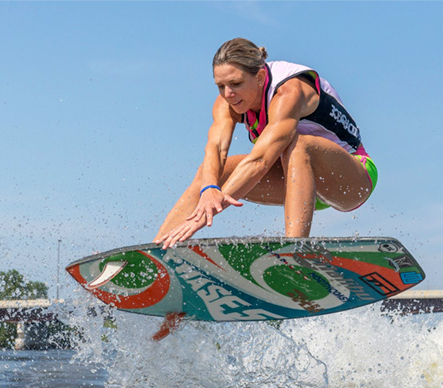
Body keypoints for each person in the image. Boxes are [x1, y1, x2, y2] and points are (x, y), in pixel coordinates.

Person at [155, 38, 377, 249]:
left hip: (351, 180)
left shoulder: (289, 92)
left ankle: (295, 251)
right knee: (208, 173)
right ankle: (156, 253)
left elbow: (261, 159)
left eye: (236, 83)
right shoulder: (227, 101)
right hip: (296, 184)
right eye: (220, 86)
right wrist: (210, 189)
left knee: (298, 145)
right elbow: (216, 148)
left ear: (260, 77)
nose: (228, 94)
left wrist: (207, 213)